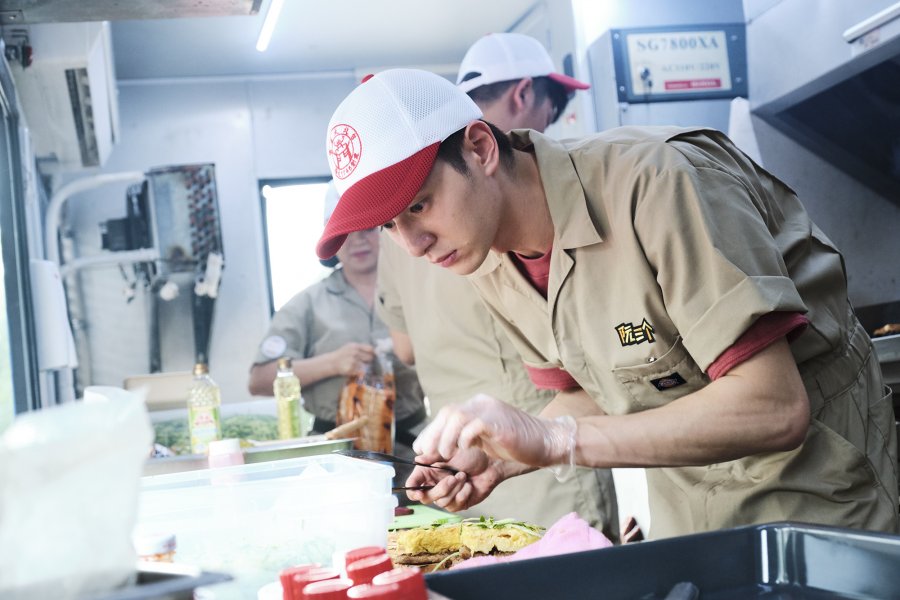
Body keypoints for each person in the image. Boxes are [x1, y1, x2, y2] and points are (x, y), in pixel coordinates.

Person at [316, 68, 899, 539]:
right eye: (389, 226)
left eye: (418, 206)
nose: (412, 245)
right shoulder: (486, 258)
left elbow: (774, 407)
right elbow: (590, 386)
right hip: (693, 513)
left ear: (480, 147)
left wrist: (558, 441)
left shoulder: (657, 183)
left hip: (819, 500)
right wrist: (506, 454)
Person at [375, 33, 619, 538]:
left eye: (421, 206)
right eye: (553, 107)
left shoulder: (625, 180)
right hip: (533, 467)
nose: (417, 244)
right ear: (525, 93)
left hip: (477, 458)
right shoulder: (496, 213)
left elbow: (405, 347)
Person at [249, 183, 426, 459]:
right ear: (332, 239)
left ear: (387, 228)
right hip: (336, 451)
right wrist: (331, 364)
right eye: (346, 233)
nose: (358, 241)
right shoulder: (307, 304)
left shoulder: (417, 291)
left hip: (415, 447)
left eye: (368, 229)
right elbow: (259, 380)